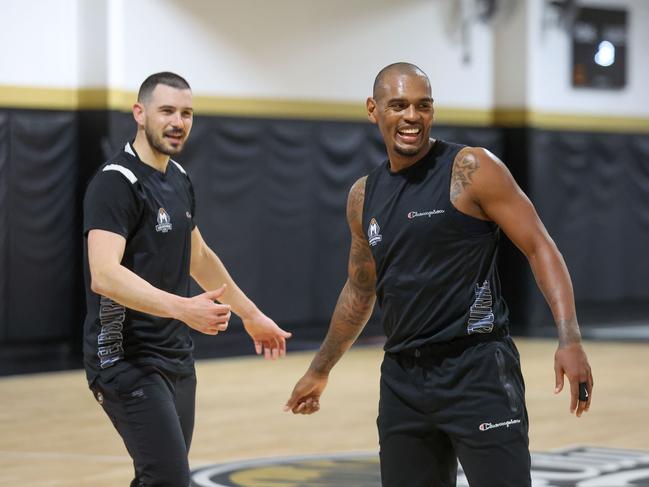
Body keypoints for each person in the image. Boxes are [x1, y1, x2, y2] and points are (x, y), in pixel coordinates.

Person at [285, 62, 593, 487]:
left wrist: (570, 338)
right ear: (373, 110)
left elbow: (540, 247)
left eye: (422, 105)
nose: (412, 117)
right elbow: (360, 289)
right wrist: (320, 369)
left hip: (477, 370)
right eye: (398, 105)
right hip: (402, 380)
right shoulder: (363, 195)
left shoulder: (471, 169)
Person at [82, 71, 292, 486]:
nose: (178, 122)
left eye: (187, 113)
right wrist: (184, 309)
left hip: (175, 356)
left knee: (161, 479)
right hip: (125, 359)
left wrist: (249, 314)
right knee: (168, 477)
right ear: (140, 114)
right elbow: (104, 275)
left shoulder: (178, 178)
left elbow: (199, 256)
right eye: (167, 111)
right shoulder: (115, 183)